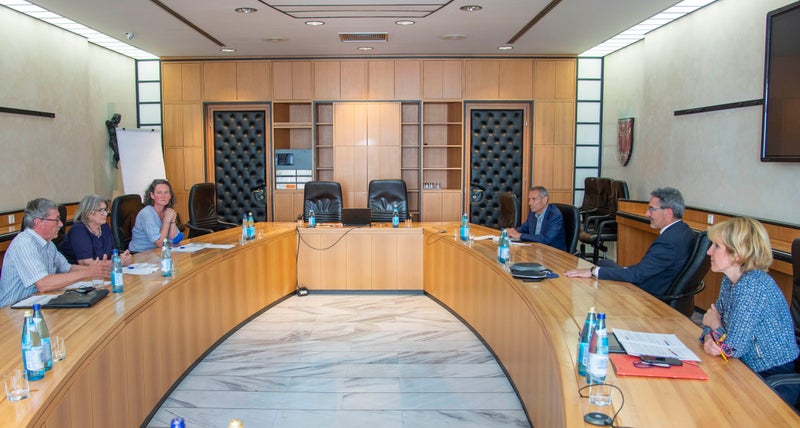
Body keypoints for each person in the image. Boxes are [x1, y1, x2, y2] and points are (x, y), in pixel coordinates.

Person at [700, 218, 799, 406]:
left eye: (717, 246)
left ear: (738, 253)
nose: (709, 251)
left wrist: (715, 326)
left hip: (771, 375)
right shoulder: (730, 280)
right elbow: (709, 320)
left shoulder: (752, 285)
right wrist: (708, 336)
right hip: (745, 365)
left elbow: (732, 348)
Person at [564, 187, 696, 296]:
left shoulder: (668, 242)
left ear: (668, 212)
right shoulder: (684, 231)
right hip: (655, 279)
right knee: (604, 263)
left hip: (647, 293)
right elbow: (646, 269)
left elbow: (636, 276)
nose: (647, 214)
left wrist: (592, 271)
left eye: (651, 209)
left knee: (598, 271)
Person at [0, 198, 109, 308]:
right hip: (11, 311)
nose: (61, 224)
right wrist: (87, 272)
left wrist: (98, 269)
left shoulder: (49, 244)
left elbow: (67, 268)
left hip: (36, 303)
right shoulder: (24, 243)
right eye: (56, 220)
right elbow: (43, 284)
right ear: (38, 222)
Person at [59, 194, 132, 266]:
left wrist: (123, 258)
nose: (105, 214)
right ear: (88, 212)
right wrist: (118, 262)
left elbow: (111, 255)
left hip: (100, 271)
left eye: (106, 210)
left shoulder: (104, 226)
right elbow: (85, 263)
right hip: (77, 272)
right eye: (101, 210)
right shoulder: (78, 230)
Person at [507, 186, 566, 251]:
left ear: (545, 199)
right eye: (529, 199)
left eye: (533, 199)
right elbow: (525, 228)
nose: (529, 203)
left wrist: (519, 235)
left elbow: (546, 239)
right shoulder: (532, 212)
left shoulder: (555, 216)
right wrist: (512, 232)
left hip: (553, 252)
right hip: (536, 249)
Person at [129, 179, 180, 253]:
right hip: (140, 253)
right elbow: (160, 243)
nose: (163, 196)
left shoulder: (167, 212)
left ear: (170, 196)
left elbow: (173, 240)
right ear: (152, 195)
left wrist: (172, 221)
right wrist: (166, 221)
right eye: (159, 193)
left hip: (157, 251)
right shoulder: (147, 213)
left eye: (166, 193)